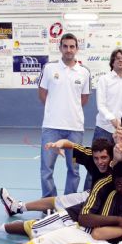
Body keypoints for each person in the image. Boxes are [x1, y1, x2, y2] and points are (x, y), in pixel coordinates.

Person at [38, 33, 91, 197]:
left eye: (72, 46)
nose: (69, 50)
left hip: (74, 130)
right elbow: (42, 94)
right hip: (51, 128)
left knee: (74, 169)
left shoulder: (84, 72)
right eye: (65, 46)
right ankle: (49, 202)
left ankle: (68, 203)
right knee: (46, 169)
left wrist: (70, 110)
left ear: (76, 49)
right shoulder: (49, 68)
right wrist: (55, 109)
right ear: (60, 48)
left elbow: (84, 99)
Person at [93, 49, 122, 144]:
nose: (120, 60)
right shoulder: (103, 80)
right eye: (117, 58)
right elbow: (101, 105)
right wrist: (112, 119)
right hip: (104, 128)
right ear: (112, 62)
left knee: (120, 157)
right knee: (99, 157)